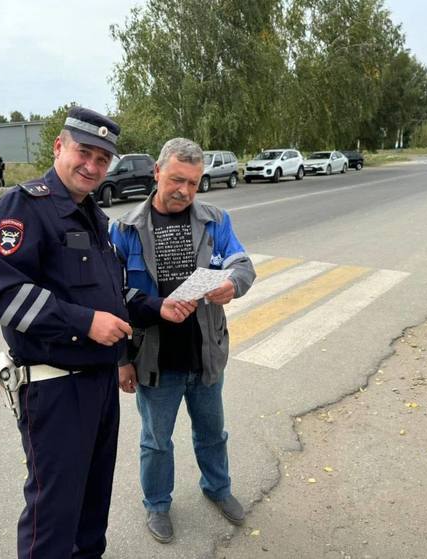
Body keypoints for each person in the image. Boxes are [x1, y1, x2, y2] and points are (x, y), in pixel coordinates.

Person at [0, 108, 196, 559]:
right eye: (84, 153)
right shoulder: (24, 207)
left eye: (103, 158)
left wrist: (158, 307)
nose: (93, 167)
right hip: (55, 387)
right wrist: (83, 322)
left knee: (92, 509)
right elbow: (2, 295)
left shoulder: (93, 216)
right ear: (59, 147)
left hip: (98, 385)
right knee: (53, 518)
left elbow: (113, 295)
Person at [110, 137, 256, 543]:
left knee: (213, 433)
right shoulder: (125, 228)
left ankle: (218, 489)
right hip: (156, 359)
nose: (185, 191)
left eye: (193, 182)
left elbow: (240, 261)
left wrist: (233, 284)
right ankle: (157, 504)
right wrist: (121, 358)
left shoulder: (214, 219)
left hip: (205, 354)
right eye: (176, 180)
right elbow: (111, 297)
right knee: (156, 441)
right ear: (156, 172)